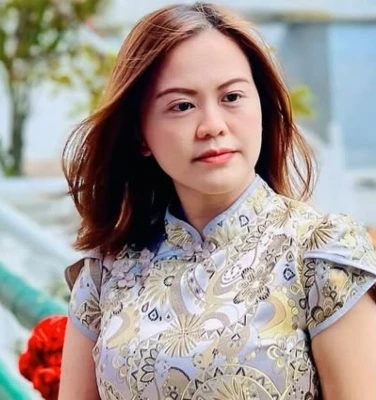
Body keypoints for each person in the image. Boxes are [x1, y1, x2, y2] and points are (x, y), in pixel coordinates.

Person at [58, 3, 376, 399]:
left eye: (232, 96)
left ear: (262, 107)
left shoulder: (321, 255)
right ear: (140, 134)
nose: (212, 126)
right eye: (182, 105)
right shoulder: (106, 272)